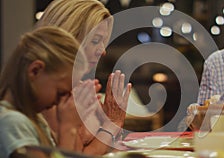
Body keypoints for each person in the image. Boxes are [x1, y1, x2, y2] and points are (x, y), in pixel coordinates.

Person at [35, 0, 132, 155]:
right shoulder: (51, 95)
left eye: (103, 42)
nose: (103, 51)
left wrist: (111, 124)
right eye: (95, 41)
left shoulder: (80, 89)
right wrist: (112, 124)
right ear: (67, 37)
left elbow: (111, 149)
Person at [0, 26, 89, 157]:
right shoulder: (13, 123)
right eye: (60, 93)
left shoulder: (34, 119)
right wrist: (68, 128)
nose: (60, 102)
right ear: (35, 71)